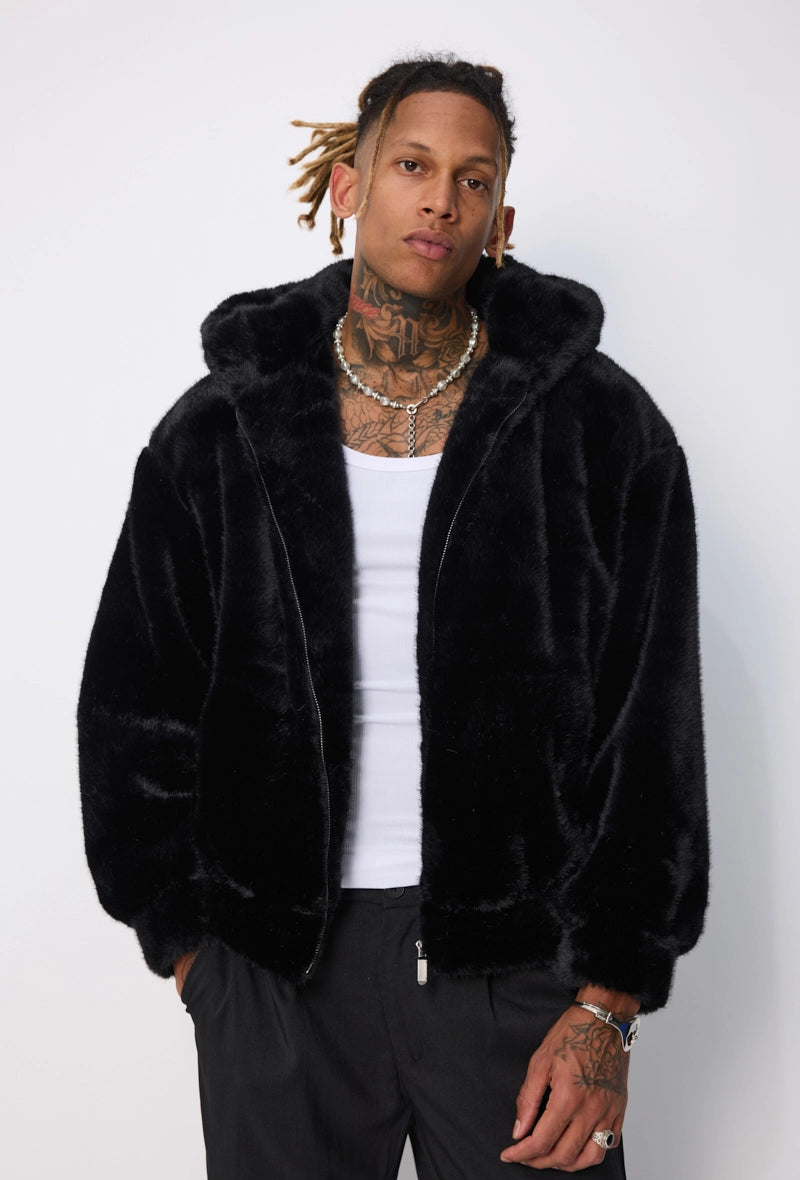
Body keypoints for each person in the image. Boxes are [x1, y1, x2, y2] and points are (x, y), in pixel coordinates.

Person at [78, 56, 708, 1177]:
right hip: (277, 971)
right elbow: (132, 702)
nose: (441, 200)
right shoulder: (220, 429)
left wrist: (606, 1006)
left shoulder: (602, 429)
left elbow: (650, 729)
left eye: (474, 178)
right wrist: (192, 952)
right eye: (412, 165)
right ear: (349, 185)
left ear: (500, 219)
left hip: (520, 972)